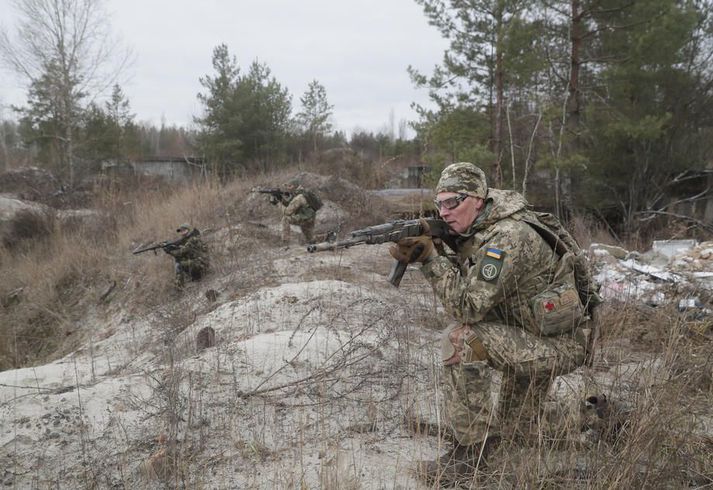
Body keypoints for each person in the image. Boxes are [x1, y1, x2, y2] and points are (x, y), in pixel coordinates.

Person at [389, 162, 597, 485]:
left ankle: (469, 458)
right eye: (439, 203)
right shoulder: (483, 224)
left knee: (461, 340)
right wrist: (442, 247)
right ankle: (597, 414)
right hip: (533, 332)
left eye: (452, 202)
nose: (444, 212)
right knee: (519, 431)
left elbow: (469, 307)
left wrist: (431, 259)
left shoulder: (506, 237)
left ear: (476, 200)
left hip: (558, 343)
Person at [164, 223, 209, 289]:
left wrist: (169, 251)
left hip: (201, 263)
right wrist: (170, 246)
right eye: (181, 231)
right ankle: (195, 277)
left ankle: (179, 287)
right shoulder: (189, 239)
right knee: (180, 260)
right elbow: (182, 249)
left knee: (179, 265)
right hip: (200, 262)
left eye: (184, 230)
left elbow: (181, 252)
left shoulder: (192, 239)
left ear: (188, 230)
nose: (182, 233)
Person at [275, 180, 320, 244]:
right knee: (311, 239)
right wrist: (280, 199)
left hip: (305, 218)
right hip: (310, 217)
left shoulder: (298, 197)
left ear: (294, 186)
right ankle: (326, 237)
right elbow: (290, 203)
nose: (287, 188)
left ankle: (285, 242)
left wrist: (278, 204)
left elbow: (287, 212)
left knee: (285, 219)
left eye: (289, 186)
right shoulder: (302, 193)